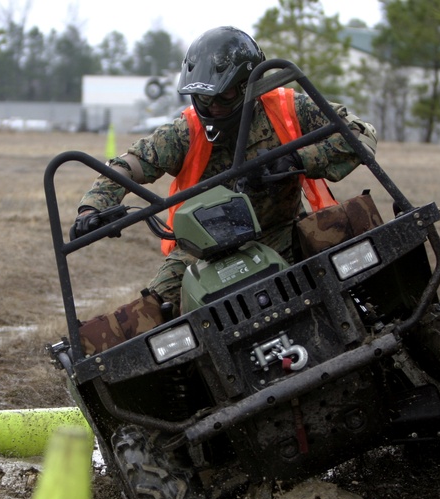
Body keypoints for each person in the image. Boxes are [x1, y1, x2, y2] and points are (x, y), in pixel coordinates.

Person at [71, 26, 377, 316]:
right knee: (152, 318)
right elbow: (130, 165)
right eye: (205, 98)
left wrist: (297, 160)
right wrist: (92, 208)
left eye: (225, 96)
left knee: (364, 247)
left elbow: (361, 133)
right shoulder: (184, 132)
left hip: (282, 233)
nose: (213, 107)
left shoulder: (286, 108)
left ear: (248, 87)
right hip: (199, 254)